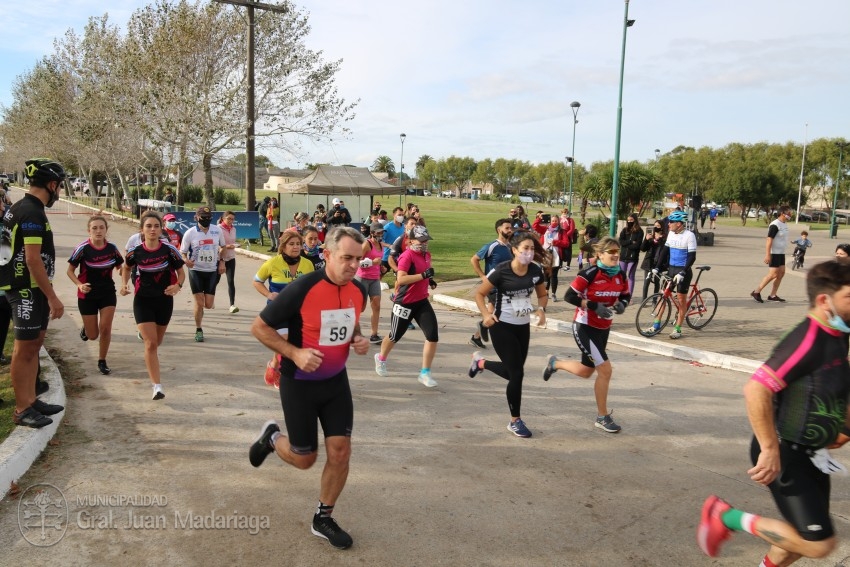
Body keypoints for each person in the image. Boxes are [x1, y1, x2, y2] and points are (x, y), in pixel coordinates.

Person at [697, 260, 850, 566]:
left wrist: (844, 427)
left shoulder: (837, 334)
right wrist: (769, 449)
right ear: (825, 300)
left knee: (798, 538)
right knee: (819, 544)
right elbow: (757, 389)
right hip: (785, 453)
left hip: (812, 453)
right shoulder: (807, 341)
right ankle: (725, 516)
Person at [248, 226, 369, 550]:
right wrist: (295, 353)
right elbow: (259, 328)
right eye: (347, 258)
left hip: (336, 382)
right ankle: (272, 438)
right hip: (299, 384)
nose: (354, 265)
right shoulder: (302, 289)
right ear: (327, 255)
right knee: (305, 459)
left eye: (358, 259)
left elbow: (350, 320)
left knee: (341, 451)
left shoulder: (358, 290)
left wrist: (357, 338)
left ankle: (323, 518)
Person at [0, 158, 66, 428]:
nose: (59, 191)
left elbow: (5, 251)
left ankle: (30, 399)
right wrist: (53, 296)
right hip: (25, 289)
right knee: (24, 349)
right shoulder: (31, 213)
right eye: (59, 186)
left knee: (34, 345)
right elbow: (32, 260)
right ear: (51, 185)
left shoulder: (22, 207)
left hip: (29, 286)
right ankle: (21, 409)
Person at [542, 236, 630, 433]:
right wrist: (592, 305)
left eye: (618, 252)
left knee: (586, 371)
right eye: (611, 252)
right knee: (605, 370)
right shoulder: (589, 273)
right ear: (600, 254)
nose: (616, 255)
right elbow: (569, 296)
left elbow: (625, 295)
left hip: (603, 328)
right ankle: (602, 417)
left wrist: (622, 304)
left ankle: (555, 363)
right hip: (584, 326)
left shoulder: (621, 275)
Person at [469, 232, 549, 438]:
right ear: (514, 250)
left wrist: (541, 310)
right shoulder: (501, 270)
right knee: (517, 374)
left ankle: (480, 363)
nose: (529, 252)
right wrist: (486, 315)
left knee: (512, 371)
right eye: (525, 248)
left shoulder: (535, 270)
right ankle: (515, 421)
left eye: (532, 249)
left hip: (522, 327)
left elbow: (542, 294)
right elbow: (480, 294)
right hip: (501, 325)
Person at [121, 210, 186, 400]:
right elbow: (126, 268)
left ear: (161, 229)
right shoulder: (135, 252)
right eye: (148, 226)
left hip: (164, 300)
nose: (152, 229)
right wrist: (124, 284)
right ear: (142, 229)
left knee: (157, 342)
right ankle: (157, 386)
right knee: (150, 344)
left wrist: (177, 286)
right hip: (143, 300)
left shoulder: (169, 250)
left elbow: (181, 273)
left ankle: (147, 341)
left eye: (156, 226)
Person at [374, 226, 440, 388]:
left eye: (426, 240)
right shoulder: (406, 256)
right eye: (421, 241)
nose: (424, 244)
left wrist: (429, 280)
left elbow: (423, 272)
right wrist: (423, 276)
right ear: (410, 241)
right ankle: (381, 358)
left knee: (432, 335)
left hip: (421, 301)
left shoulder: (426, 255)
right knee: (395, 335)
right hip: (404, 302)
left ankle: (425, 372)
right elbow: (401, 279)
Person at [254, 230, 315, 388]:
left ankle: (274, 363)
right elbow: (257, 281)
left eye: (298, 244)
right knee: (284, 340)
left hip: (299, 311)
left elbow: (313, 287)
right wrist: (269, 294)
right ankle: (281, 372)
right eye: (291, 244)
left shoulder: (308, 264)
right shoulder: (273, 263)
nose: (296, 247)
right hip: (278, 310)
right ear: (283, 246)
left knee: (293, 343)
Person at [66, 215, 124, 375]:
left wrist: (123, 274)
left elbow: (120, 267)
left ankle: (102, 360)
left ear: (106, 230)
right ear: (89, 231)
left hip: (107, 293)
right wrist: (79, 285)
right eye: (94, 228)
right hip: (87, 295)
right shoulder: (82, 249)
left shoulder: (112, 248)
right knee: (92, 335)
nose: (98, 231)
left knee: (105, 328)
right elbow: (70, 271)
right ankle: (87, 328)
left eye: (101, 228)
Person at [180, 206, 226, 342]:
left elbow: (223, 246)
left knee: (208, 304)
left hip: (212, 270)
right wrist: (186, 260)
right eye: (203, 217)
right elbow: (183, 252)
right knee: (199, 303)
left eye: (209, 217)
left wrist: (222, 261)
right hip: (196, 270)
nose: (206, 220)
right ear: (197, 217)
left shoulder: (217, 230)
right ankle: (199, 329)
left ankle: (205, 303)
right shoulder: (190, 233)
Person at [469, 219, 514, 348]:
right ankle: (502, 337)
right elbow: (474, 260)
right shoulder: (491, 246)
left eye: (510, 228)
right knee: (501, 311)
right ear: (499, 230)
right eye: (507, 228)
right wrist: (483, 276)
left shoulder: (510, 247)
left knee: (492, 311)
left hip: (505, 286)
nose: (510, 230)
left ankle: (477, 336)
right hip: (493, 286)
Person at [656, 210, 697, 339]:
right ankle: (656, 324)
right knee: (663, 296)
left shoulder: (689, 235)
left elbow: (692, 257)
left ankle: (678, 328)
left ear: (679, 224)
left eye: (671, 222)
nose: (668, 224)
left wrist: (683, 272)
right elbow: (664, 252)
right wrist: (657, 267)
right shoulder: (671, 234)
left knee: (681, 300)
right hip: (671, 269)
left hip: (683, 271)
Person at [751, 206, 792, 304]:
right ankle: (756, 292)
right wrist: (768, 254)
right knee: (773, 274)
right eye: (789, 213)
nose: (790, 215)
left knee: (781, 273)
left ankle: (773, 295)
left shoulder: (784, 224)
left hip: (781, 253)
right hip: (774, 253)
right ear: (782, 213)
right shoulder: (775, 225)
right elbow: (769, 240)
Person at [355, 222, 385, 345]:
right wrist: (372, 263)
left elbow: (378, 260)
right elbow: (356, 261)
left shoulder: (381, 245)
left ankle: (374, 334)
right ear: (372, 233)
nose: (381, 235)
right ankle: (354, 333)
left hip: (375, 278)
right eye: (378, 233)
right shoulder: (367, 244)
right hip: (362, 278)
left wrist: (381, 267)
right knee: (360, 308)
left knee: (376, 305)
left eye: (382, 232)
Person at [541, 217, 569, 301]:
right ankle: (546, 292)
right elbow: (541, 241)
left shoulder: (562, 231)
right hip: (546, 255)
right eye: (552, 221)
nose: (554, 222)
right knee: (546, 275)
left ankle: (553, 293)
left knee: (554, 275)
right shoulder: (546, 230)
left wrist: (556, 242)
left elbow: (566, 243)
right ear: (550, 221)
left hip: (556, 256)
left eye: (556, 221)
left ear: (558, 221)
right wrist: (539, 218)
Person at [218, 210, 240, 313]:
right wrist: (227, 246)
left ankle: (232, 305)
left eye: (232, 219)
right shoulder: (218, 229)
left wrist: (234, 245)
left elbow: (232, 242)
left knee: (231, 281)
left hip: (231, 258)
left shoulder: (234, 229)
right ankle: (208, 299)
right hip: (219, 258)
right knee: (215, 281)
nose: (231, 221)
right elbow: (215, 244)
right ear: (223, 218)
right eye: (229, 219)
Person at [639, 220, 667, 299]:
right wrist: (646, 239)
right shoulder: (650, 236)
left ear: (662, 227)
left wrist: (659, 239)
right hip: (649, 262)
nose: (656, 227)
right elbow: (643, 249)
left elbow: (665, 250)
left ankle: (655, 300)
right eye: (655, 226)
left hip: (659, 263)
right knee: (647, 281)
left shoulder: (665, 238)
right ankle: (644, 300)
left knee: (657, 281)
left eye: (658, 226)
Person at [618, 213, 643, 297]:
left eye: (631, 220)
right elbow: (621, 242)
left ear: (635, 220)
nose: (629, 222)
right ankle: (621, 294)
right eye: (628, 220)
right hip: (623, 257)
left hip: (633, 258)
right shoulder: (624, 230)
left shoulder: (640, 231)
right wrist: (630, 242)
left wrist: (626, 245)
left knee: (631, 276)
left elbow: (637, 246)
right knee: (622, 276)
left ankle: (629, 296)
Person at [380, 207, 406, 275]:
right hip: (387, 256)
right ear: (394, 215)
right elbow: (379, 241)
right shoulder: (387, 227)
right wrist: (389, 246)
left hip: (400, 257)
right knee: (380, 275)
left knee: (400, 275)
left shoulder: (404, 227)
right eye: (399, 215)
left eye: (402, 215)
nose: (401, 217)